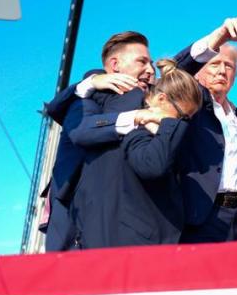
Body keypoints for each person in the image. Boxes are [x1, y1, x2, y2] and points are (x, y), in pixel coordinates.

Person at [44, 19, 237, 251]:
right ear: (114, 65)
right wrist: (135, 115)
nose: (149, 69)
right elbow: (81, 129)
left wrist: (218, 36)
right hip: (85, 225)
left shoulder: (151, 97)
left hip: (145, 226)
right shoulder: (91, 94)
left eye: (151, 63)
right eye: (142, 61)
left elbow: (177, 70)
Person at [69, 59, 202, 248]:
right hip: (136, 240)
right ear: (161, 99)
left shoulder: (163, 127)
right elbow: (152, 166)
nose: (182, 122)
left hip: (162, 237)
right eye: (181, 115)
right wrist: (163, 122)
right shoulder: (136, 121)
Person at [172, 38, 237, 243]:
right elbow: (175, 72)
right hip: (200, 215)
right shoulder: (192, 106)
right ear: (198, 70)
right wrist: (222, 34)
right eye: (214, 63)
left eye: (228, 66)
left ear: (235, 76)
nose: (222, 71)